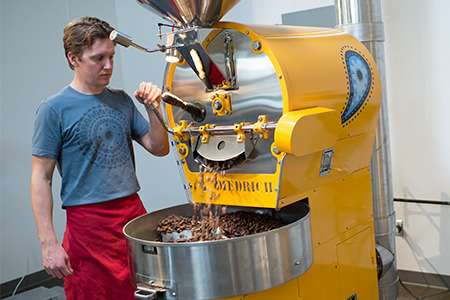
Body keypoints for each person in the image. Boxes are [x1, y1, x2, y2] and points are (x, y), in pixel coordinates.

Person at [30, 16, 170, 299]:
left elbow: (159, 148)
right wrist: (48, 244)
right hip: (87, 229)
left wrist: (154, 108)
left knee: (145, 293)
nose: (108, 66)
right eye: (98, 58)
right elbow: (40, 178)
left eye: (111, 56)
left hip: (132, 219)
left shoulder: (121, 100)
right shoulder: (53, 109)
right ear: (74, 59)